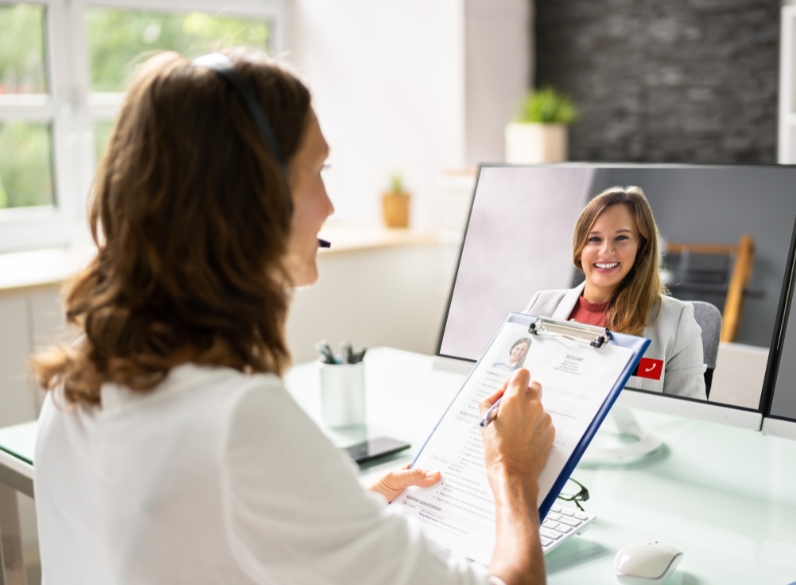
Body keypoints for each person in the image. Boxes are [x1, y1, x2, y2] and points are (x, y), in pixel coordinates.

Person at [31, 51, 554, 585]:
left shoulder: (83, 373)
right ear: (253, 197)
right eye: (317, 171)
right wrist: (512, 473)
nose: (330, 206)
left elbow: (191, 534)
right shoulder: (238, 419)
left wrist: (344, 510)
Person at [524, 186, 706, 399]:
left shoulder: (677, 321)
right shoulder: (541, 304)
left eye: (621, 238)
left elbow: (688, 412)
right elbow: (503, 379)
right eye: (594, 239)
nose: (606, 251)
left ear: (641, 247)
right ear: (580, 248)